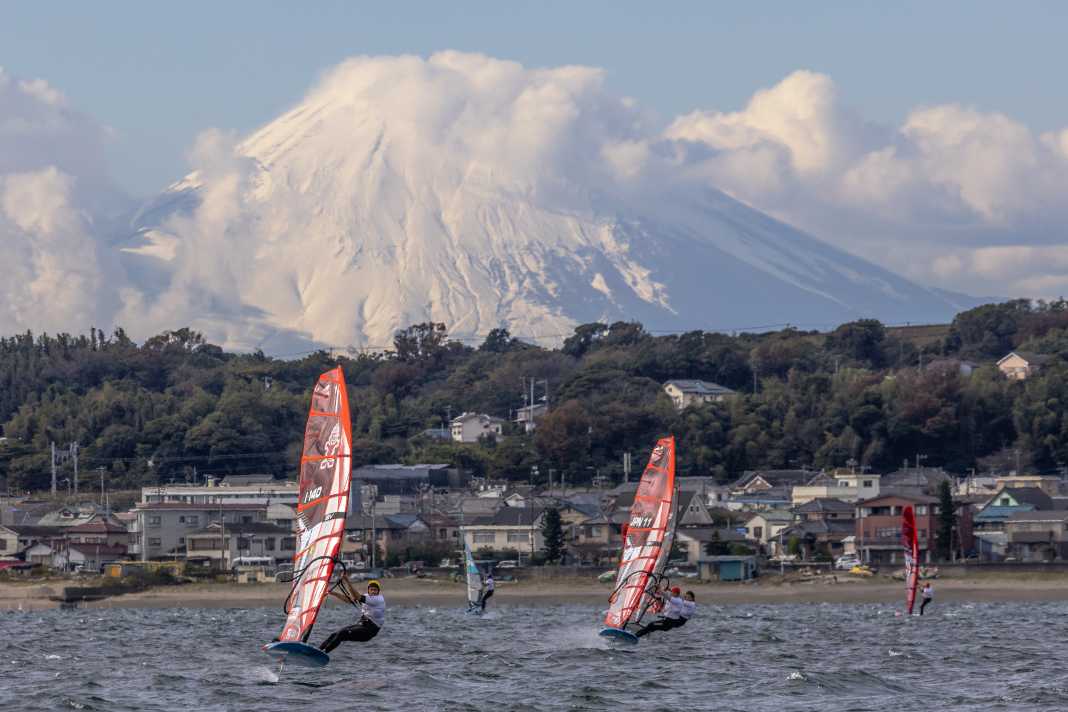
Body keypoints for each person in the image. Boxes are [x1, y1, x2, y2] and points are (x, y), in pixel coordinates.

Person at [318, 578, 386, 653]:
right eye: (371, 589)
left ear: (378, 591)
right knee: (335, 634)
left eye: (375, 590)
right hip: (362, 625)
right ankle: (318, 650)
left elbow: (357, 596)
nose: (373, 591)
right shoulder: (367, 597)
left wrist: (347, 581)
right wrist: (333, 593)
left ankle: (323, 653)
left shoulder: (378, 599)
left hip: (369, 631)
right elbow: (348, 600)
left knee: (342, 633)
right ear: (368, 590)